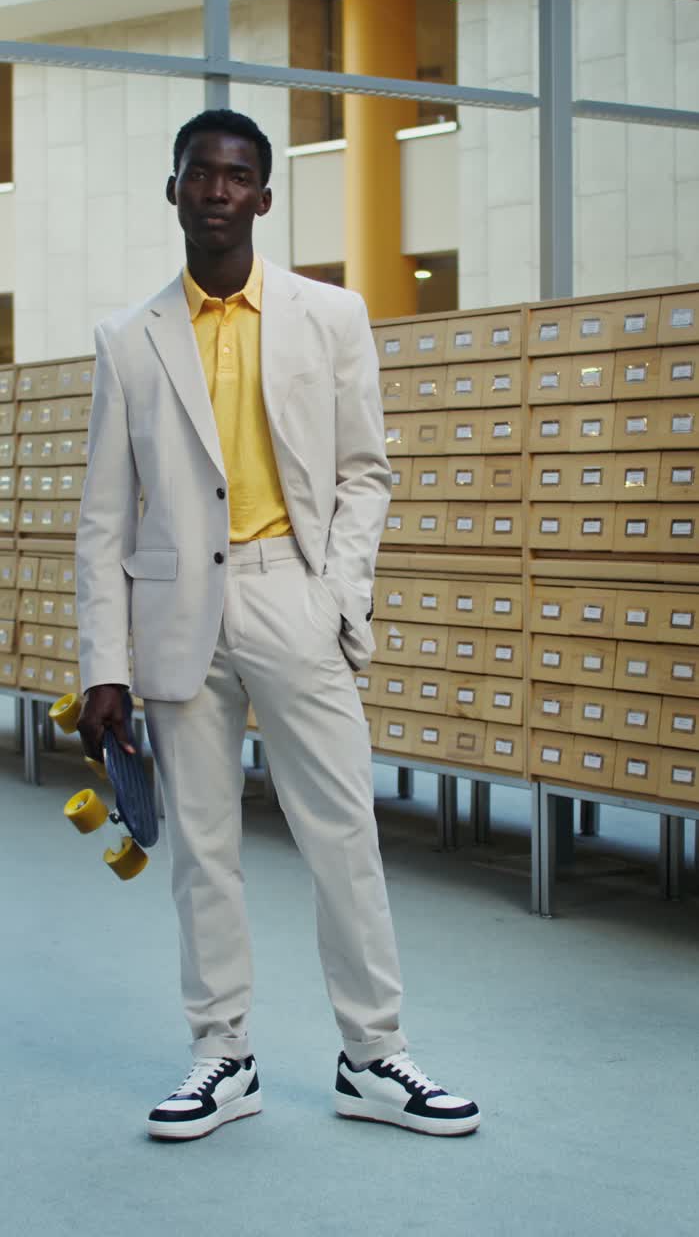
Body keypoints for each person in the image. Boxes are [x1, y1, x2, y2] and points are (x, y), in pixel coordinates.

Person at [75, 108, 480, 1141]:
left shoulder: (329, 317)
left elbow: (364, 471)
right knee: (204, 849)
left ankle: (373, 1053)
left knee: (342, 833)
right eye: (199, 174)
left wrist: (337, 594)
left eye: (237, 175)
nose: (217, 191)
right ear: (173, 190)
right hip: (175, 619)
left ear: (264, 195)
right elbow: (103, 515)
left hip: (291, 592)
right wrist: (102, 663)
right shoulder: (127, 340)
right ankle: (223, 1055)